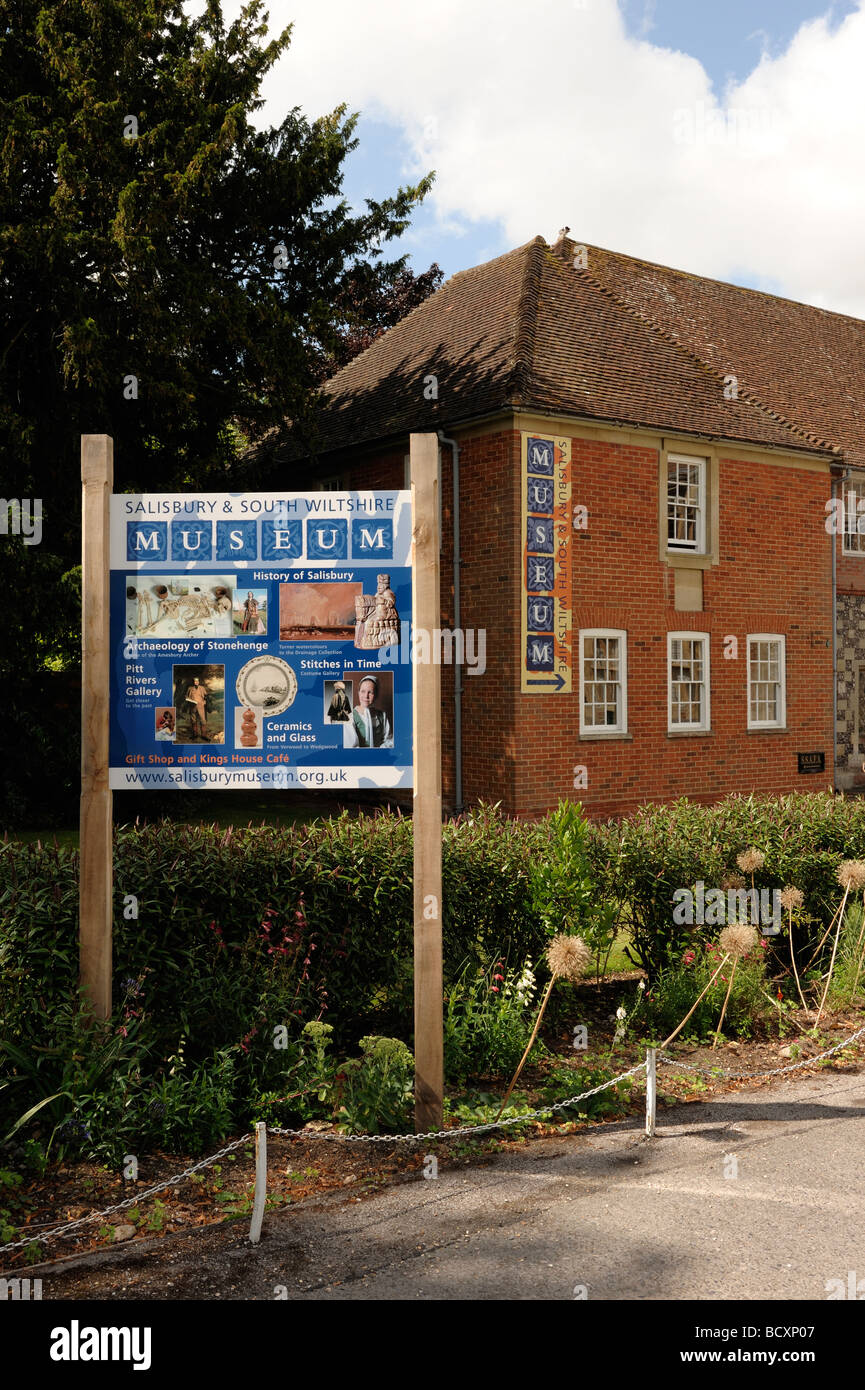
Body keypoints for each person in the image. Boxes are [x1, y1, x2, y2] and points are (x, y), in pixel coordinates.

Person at [343, 675, 393, 748]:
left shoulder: (382, 715)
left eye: (370, 692)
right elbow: (351, 746)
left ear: (376, 695)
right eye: (363, 691)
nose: (366, 696)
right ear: (358, 692)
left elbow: (389, 740)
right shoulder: (350, 716)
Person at [184, 676, 211, 741]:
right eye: (195, 681)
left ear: (199, 682)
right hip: (192, 707)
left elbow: (206, 696)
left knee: (203, 720)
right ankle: (195, 735)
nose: (196, 682)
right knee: (193, 721)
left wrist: (205, 700)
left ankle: (203, 735)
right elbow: (186, 696)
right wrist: (188, 699)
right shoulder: (190, 688)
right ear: (193, 682)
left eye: (197, 681)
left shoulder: (202, 688)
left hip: (201, 706)